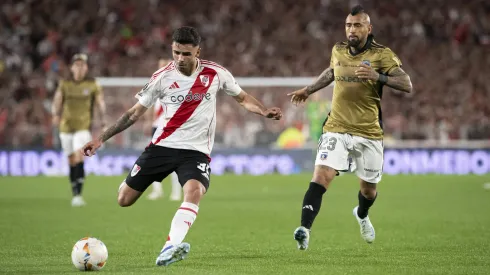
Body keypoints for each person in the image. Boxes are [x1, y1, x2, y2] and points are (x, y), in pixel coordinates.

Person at [81, 26, 282, 266]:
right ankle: (134, 179)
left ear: (198, 51)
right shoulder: (162, 77)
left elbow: (242, 98)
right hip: (162, 147)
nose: (180, 58)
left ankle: (170, 247)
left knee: (194, 192)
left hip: (195, 152)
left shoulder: (216, 73)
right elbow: (133, 114)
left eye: (186, 54)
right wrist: (100, 139)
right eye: (176, 52)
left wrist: (263, 111)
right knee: (124, 199)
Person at [288, 5, 412, 250]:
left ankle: (362, 215)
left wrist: (378, 77)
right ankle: (304, 229)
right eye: (348, 25)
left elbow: (406, 83)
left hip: (369, 132)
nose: (352, 30)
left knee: (368, 191)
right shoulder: (338, 49)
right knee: (321, 176)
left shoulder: (382, 55)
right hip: (336, 127)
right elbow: (332, 72)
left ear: (368, 28)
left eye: (357, 25)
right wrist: (309, 89)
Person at [51, 53, 107, 207]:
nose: (80, 67)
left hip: (83, 127)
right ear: (72, 67)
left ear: (86, 67)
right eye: (77, 64)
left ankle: (78, 195)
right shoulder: (65, 83)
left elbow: (100, 102)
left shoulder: (93, 84)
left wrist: (103, 121)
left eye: (82, 65)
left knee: (78, 156)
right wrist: (55, 114)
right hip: (66, 127)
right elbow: (57, 100)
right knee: (70, 159)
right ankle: (74, 191)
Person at [143, 58, 182, 201]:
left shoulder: (177, 85)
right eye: (159, 66)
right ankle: (157, 190)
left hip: (170, 127)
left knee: (174, 160)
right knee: (154, 159)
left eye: (164, 66)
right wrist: (148, 122)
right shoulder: (155, 84)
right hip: (156, 127)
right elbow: (149, 104)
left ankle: (176, 192)